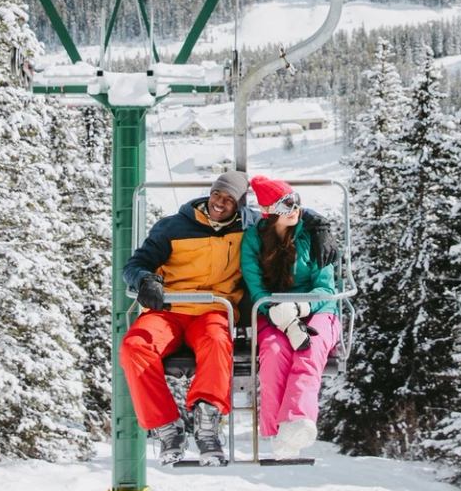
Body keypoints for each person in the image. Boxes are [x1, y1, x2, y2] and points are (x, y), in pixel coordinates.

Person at [119, 169, 249, 466]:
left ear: (239, 205)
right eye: (217, 194)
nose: (220, 202)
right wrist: (145, 281)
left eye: (229, 199)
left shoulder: (248, 227)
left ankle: (207, 422)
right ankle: (167, 426)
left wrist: (318, 225)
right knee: (135, 346)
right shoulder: (173, 227)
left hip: (213, 309)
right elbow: (136, 264)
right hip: (170, 309)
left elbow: (290, 215)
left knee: (217, 341)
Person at [241, 176, 341, 460]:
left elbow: (326, 286)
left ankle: (297, 421)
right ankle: (275, 432)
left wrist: (299, 309)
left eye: (296, 200)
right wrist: (276, 313)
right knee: (273, 353)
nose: (295, 208)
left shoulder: (311, 236)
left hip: (318, 310)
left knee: (307, 352)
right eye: (287, 203)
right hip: (271, 311)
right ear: (270, 211)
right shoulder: (254, 241)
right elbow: (255, 285)